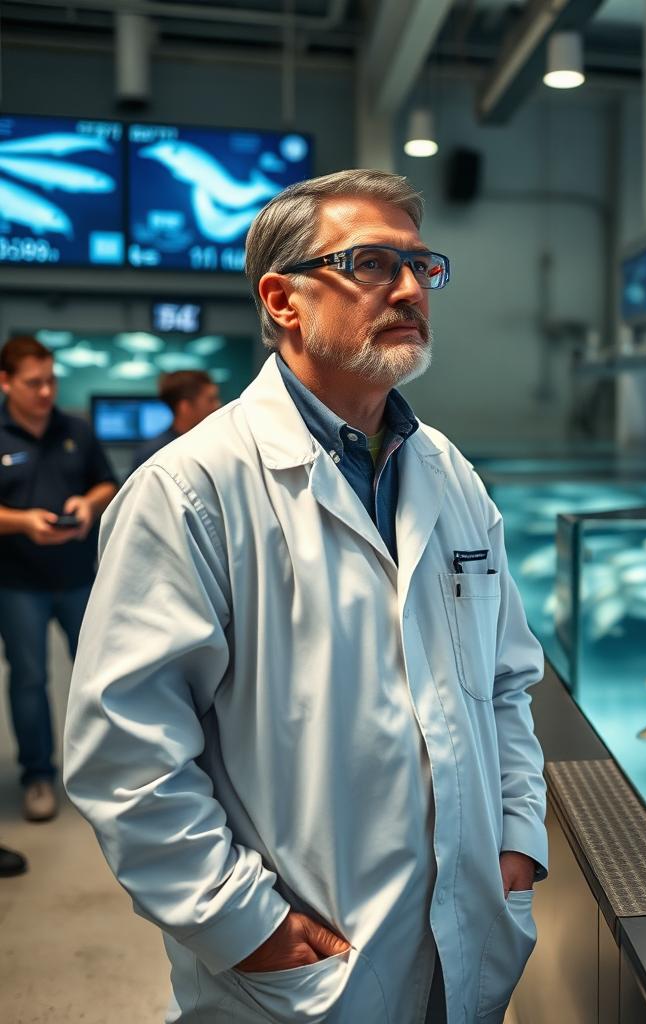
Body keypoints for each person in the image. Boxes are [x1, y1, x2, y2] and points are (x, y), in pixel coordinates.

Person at [64, 169, 548, 1024]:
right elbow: (128, 752)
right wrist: (246, 926)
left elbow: (506, 682)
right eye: (371, 263)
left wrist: (515, 844)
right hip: (307, 964)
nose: (408, 287)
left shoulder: (449, 474)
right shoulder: (190, 490)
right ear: (282, 300)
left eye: (420, 265)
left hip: (469, 934)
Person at [0, 336, 117, 823]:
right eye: (33, 383)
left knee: (99, 677)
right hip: (18, 583)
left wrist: (87, 506)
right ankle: (38, 777)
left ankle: (110, 771)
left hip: (78, 578)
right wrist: (23, 522)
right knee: (29, 680)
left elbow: (108, 483)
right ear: (5, 382)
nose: (45, 391)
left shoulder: (76, 429)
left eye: (50, 380)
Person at [130, 369, 221, 472]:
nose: (217, 405)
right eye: (210, 400)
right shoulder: (153, 455)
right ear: (185, 407)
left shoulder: (219, 443)